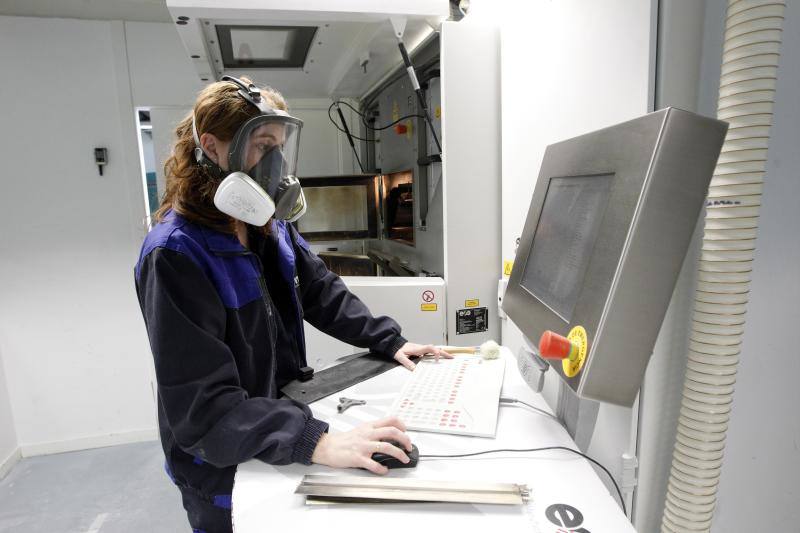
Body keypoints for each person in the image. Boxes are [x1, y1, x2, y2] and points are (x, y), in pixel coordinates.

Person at [134, 76, 450, 533]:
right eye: (263, 146)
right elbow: (204, 410)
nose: (277, 163)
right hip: (221, 465)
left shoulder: (264, 223)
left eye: (280, 146)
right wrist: (313, 440)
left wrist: (389, 339)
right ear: (212, 146)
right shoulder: (176, 256)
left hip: (272, 428)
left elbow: (319, 289)